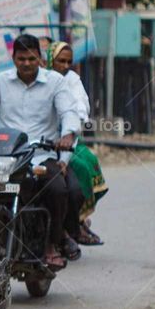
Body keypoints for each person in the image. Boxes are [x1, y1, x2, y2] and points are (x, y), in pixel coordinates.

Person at [0, 34, 82, 268]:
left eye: (31, 58)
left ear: (40, 59)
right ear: (13, 59)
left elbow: (68, 113)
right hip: (7, 157)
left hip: (42, 155)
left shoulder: (55, 82)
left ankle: (52, 244)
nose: (26, 63)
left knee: (57, 189)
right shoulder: (0, 81)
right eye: (21, 58)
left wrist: (67, 136)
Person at [46, 40, 107, 245]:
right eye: (59, 61)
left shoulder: (72, 80)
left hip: (66, 139)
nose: (64, 66)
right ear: (49, 60)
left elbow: (80, 108)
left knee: (84, 165)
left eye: (68, 62)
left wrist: (70, 128)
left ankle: (76, 222)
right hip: (40, 140)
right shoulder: (43, 80)